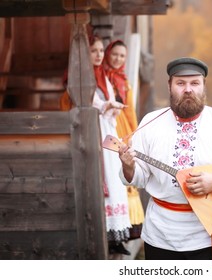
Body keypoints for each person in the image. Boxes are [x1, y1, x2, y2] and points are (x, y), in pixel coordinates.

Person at [118, 57, 212, 260]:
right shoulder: (150, 123)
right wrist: (128, 167)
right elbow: (140, 177)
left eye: (195, 83)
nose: (188, 89)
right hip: (160, 235)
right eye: (180, 83)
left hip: (208, 234)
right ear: (169, 86)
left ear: (204, 86)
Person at [61, 36, 132, 255]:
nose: (100, 54)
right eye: (94, 51)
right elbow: (81, 102)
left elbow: (105, 109)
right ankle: (103, 231)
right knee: (102, 178)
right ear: (84, 54)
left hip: (107, 132)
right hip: (91, 133)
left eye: (101, 50)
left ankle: (116, 234)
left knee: (114, 177)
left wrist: (112, 108)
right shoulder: (79, 76)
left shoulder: (104, 76)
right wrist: (103, 107)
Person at [103, 40, 145, 240]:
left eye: (122, 56)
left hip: (123, 129)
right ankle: (111, 226)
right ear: (107, 54)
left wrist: (135, 133)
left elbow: (130, 111)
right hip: (107, 129)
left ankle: (128, 227)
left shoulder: (124, 81)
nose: (118, 59)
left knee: (125, 172)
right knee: (110, 172)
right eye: (115, 54)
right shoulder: (100, 78)